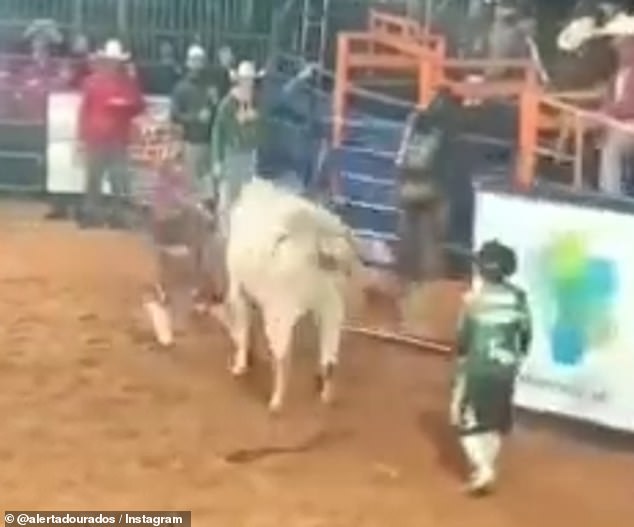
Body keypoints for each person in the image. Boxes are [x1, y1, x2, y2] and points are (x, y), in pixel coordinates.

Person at [450, 240, 532, 496]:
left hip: (478, 368)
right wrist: (517, 358)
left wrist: (461, 363)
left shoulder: (473, 299)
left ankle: (484, 468)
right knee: (494, 421)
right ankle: (485, 466)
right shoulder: (519, 297)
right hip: (506, 368)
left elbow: (463, 338)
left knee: (464, 420)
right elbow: (526, 334)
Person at [143, 142, 223, 347]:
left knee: (203, 241)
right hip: (167, 229)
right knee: (170, 267)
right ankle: (184, 295)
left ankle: (201, 292)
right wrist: (201, 211)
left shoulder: (176, 179)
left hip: (173, 227)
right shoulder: (163, 184)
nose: (176, 167)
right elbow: (181, 203)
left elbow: (188, 200)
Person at [395, 88, 457, 330]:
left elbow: (401, 158)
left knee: (409, 247)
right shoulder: (449, 128)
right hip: (432, 189)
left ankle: (407, 304)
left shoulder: (415, 121)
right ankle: (428, 304)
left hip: (408, 187)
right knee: (432, 245)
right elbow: (447, 166)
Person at [77, 39, 145, 228]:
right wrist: (82, 137)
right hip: (99, 137)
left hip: (116, 138)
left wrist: (129, 95)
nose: (114, 64)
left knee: (118, 179)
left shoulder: (126, 82)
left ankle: (116, 216)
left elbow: (139, 105)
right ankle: (92, 215)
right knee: (94, 178)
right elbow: (84, 110)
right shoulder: (91, 82)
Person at [211, 60, 262, 235]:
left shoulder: (256, 102)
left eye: (250, 79)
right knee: (227, 197)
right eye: (245, 79)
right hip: (231, 154)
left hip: (248, 155)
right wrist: (217, 160)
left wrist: (254, 125)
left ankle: (239, 233)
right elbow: (218, 132)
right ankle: (224, 235)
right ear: (239, 80)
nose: (248, 82)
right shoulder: (227, 104)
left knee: (245, 197)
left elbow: (261, 130)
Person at [171, 44, 218, 194]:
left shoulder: (210, 86)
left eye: (200, 60)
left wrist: (215, 102)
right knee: (192, 187)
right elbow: (175, 116)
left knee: (209, 187)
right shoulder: (181, 88)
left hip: (210, 143)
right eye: (194, 60)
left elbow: (218, 114)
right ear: (188, 63)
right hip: (191, 143)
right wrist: (195, 118)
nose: (197, 64)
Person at [596, 19, 634, 195]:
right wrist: (600, 116)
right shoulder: (615, 76)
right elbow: (608, 103)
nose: (621, 52)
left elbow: (629, 105)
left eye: (625, 46)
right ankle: (608, 189)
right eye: (619, 48)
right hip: (621, 126)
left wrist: (607, 112)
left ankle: (611, 194)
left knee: (613, 145)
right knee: (605, 139)